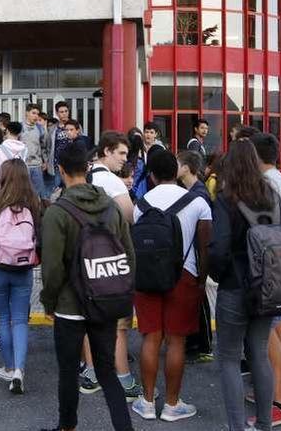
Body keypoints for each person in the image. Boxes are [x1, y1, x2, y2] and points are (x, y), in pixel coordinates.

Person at [39, 143, 135, 431]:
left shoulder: (57, 212)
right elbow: (129, 255)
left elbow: (52, 268)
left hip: (70, 306)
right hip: (106, 301)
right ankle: (124, 427)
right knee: (107, 371)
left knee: (69, 372)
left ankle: (67, 426)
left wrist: (49, 302)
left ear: (61, 171)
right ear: (88, 168)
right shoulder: (110, 207)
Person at [209, 140, 281, 431]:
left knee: (229, 358)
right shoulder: (271, 195)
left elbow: (218, 248)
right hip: (267, 286)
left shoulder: (226, 198)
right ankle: (265, 424)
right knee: (259, 352)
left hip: (235, 285)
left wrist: (218, 274)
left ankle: (237, 427)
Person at [131, 151, 211, 423]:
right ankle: (172, 405)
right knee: (176, 340)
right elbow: (204, 248)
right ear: (175, 172)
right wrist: (201, 282)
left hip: (147, 276)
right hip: (185, 276)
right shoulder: (198, 202)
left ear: (151, 175)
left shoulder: (140, 204)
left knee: (151, 337)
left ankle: (148, 402)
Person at [86, 131, 141, 401]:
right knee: (119, 324)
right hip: (112, 258)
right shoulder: (111, 181)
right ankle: (123, 378)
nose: (124, 159)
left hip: (83, 257)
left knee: (87, 316)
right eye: (120, 153)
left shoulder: (83, 174)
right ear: (106, 151)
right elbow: (130, 216)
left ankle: (91, 372)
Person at [250, 132, 281, 426]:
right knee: (278, 330)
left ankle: (278, 402)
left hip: (270, 268)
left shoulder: (266, 184)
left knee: (268, 334)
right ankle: (279, 390)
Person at [0, 159, 41, 394]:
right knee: (20, 320)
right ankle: (19, 371)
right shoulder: (34, 202)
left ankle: (8, 366)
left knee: (3, 319)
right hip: (23, 269)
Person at [176, 151, 214, 365]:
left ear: (187, 168)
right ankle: (195, 342)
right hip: (192, 256)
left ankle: (205, 345)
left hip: (198, 256)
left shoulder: (199, 194)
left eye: (178, 164)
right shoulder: (190, 190)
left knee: (200, 299)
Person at [0, 122, 27, 198]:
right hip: (20, 185)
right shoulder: (25, 149)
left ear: (8, 131)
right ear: (19, 133)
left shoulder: (0, 149)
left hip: (4, 186)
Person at [44, 101, 73, 193]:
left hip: (71, 164)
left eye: (66, 111)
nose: (64, 114)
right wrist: (46, 161)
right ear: (57, 113)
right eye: (61, 112)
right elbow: (47, 146)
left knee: (71, 191)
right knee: (55, 191)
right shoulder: (53, 129)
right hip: (57, 165)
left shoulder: (75, 126)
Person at [20, 103, 47, 198]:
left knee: (36, 194)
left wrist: (45, 161)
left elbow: (44, 146)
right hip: (22, 165)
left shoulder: (40, 129)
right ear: (27, 113)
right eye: (33, 113)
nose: (36, 116)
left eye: (37, 114)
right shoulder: (19, 127)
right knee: (22, 193)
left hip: (37, 165)